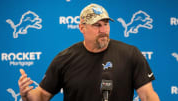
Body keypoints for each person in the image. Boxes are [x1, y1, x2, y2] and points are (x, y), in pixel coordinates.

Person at [18, 3, 160, 101]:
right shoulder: (64, 59)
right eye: (97, 25)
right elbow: (42, 95)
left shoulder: (130, 54)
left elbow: (147, 95)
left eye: (106, 24)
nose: (103, 30)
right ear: (82, 28)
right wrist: (26, 95)